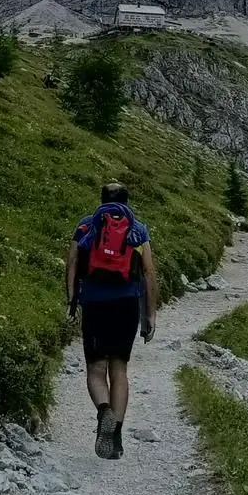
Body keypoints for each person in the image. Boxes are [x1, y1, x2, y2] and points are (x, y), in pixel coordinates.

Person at [65, 182, 158, 460]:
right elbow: (149, 273)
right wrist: (150, 313)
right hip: (126, 305)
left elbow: (71, 263)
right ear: (127, 202)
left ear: (102, 199)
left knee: (96, 368)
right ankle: (114, 437)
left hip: (94, 304)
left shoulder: (85, 225)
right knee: (119, 370)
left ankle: (103, 411)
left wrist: (72, 299)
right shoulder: (138, 229)